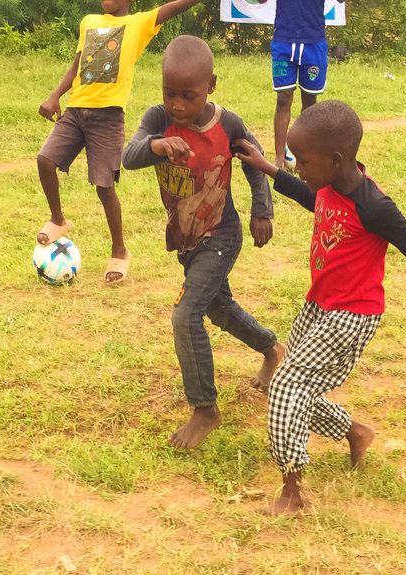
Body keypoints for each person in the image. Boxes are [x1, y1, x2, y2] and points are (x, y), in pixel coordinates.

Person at [234, 100, 406, 515]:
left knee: (286, 387)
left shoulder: (373, 206)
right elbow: (310, 196)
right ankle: (355, 432)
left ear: (335, 160)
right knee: (293, 382)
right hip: (319, 305)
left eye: (303, 161)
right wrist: (267, 167)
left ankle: (292, 491)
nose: (298, 167)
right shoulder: (329, 186)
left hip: (352, 315)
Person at [122, 35, 286, 449]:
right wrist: (157, 145)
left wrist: (262, 210)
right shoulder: (159, 118)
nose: (177, 104)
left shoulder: (228, 125)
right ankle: (272, 349)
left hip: (220, 235)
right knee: (219, 308)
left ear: (211, 85)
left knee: (185, 315)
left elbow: (255, 162)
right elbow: (129, 155)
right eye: (170, 93)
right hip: (187, 238)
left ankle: (205, 409)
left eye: (189, 95)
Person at [35, 0, 204, 284]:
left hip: (108, 116)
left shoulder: (138, 23)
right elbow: (77, 65)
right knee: (44, 160)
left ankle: (119, 250)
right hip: (76, 110)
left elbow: (174, 8)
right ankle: (58, 219)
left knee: (104, 186)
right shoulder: (88, 22)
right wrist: (55, 96)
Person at [263, 0, 344, 171]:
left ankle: (303, 153)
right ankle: (279, 158)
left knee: (309, 100)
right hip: (283, 42)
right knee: (283, 98)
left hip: (313, 43)